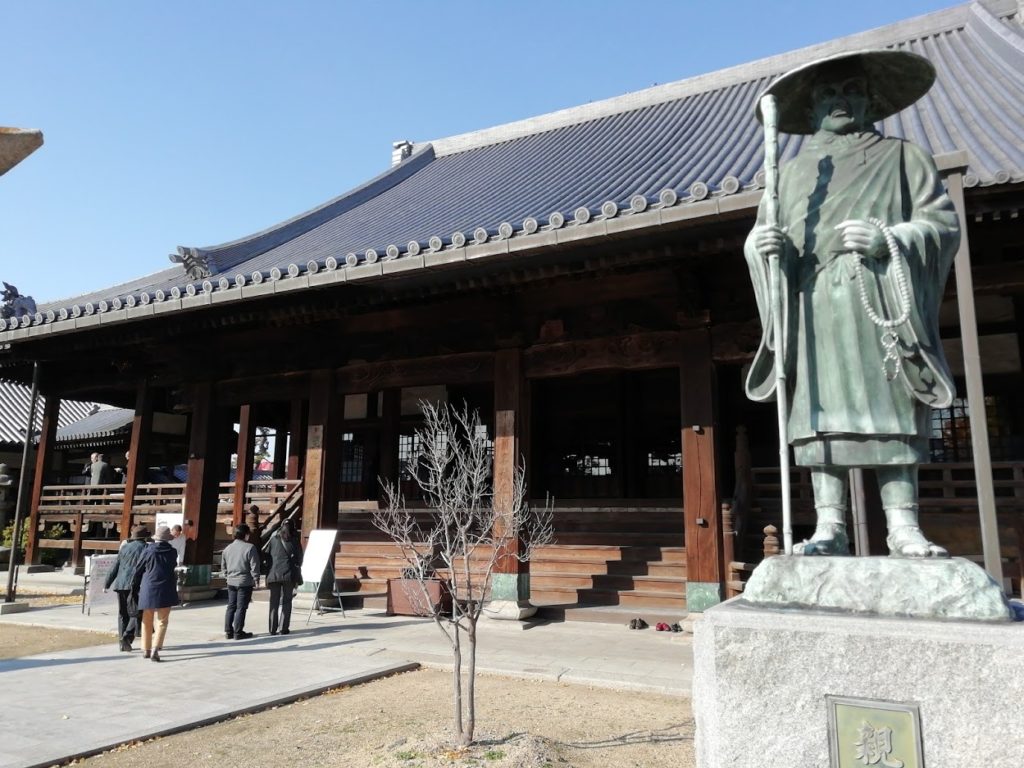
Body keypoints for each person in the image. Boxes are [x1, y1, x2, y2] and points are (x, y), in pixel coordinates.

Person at [744, 50, 959, 558]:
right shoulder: (790, 174)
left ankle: (903, 526)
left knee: (892, 403)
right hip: (814, 303)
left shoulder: (905, 157)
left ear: (870, 100)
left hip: (879, 297)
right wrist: (764, 249)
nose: (842, 101)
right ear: (813, 107)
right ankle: (828, 526)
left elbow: (942, 224)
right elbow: (759, 237)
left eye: (851, 91)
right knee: (819, 412)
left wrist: (891, 238)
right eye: (829, 94)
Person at [132, 524, 179, 662]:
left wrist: (135, 583)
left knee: (147, 620)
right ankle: (155, 649)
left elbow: (138, 568)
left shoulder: (148, 550)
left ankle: (145, 649)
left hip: (148, 587)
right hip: (166, 587)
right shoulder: (173, 552)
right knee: (162, 621)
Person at [103, 524, 150, 651]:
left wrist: (107, 583)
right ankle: (126, 638)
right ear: (145, 537)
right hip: (135, 585)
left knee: (123, 613)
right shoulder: (146, 548)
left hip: (120, 583)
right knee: (136, 612)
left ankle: (122, 643)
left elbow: (115, 566)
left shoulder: (124, 547)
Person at [221, 523, 259, 640]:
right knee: (241, 607)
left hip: (231, 581)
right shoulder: (250, 547)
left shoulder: (227, 548)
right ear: (246, 535)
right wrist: (256, 579)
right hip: (244, 581)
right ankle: (238, 632)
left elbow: (223, 566)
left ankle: (228, 631)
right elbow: (254, 565)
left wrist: (227, 576)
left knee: (231, 606)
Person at [266, 520, 302, 635]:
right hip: (289, 575)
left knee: (274, 602)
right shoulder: (295, 541)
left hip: (274, 574)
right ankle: (283, 628)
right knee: (287, 601)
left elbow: (267, 556)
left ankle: (272, 628)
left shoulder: (273, 540)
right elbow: (300, 559)